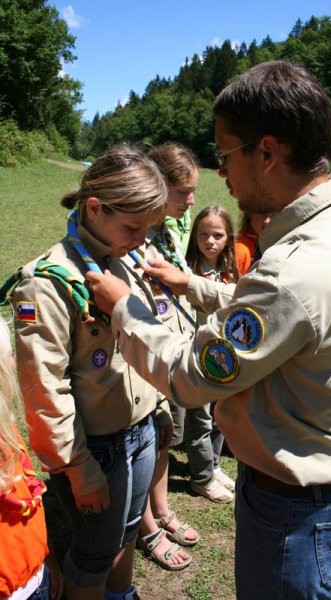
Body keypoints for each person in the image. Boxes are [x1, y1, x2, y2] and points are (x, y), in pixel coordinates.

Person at [87, 61, 331, 600]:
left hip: (294, 507)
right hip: (321, 488)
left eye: (225, 155)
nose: (221, 173)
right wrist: (193, 286)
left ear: (267, 152)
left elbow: (191, 374)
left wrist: (125, 309)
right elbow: (286, 320)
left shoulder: (297, 269)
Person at [10, 144, 169, 600]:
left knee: (128, 531)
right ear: (95, 208)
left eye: (148, 228)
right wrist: (78, 469)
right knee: (95, 551)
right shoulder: (45, 283)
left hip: (139, 431)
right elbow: (45, 391)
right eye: (133, 227)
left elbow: (141, 342)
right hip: (96, 448)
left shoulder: (122, 260)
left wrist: (156, 405)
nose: (142, 239)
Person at [136, 143, 199, 570]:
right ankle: (145, 527)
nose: (192, 200)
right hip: (144, 357)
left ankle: (161, 508)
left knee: (162, 438)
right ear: (158, 188)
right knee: (139, 443)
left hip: (173, 352)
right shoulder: (133, 233)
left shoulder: (170, 232)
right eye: (184, 192)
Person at [0, 316, 63, 600]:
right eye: (10, 357)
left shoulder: (6, 426)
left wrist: (44, 558)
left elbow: (28, 501)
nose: (14, 365)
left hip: (35, 577)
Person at [184, 205, 238, 501]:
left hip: (223, 356)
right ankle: (201, 477)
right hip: (196, 356)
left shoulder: (230, 270)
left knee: (219, 416)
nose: (210, 241)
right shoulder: (186, 269)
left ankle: (214, 465)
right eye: (203, 234)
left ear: (228, 238)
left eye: (217, 235)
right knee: (201, 419)